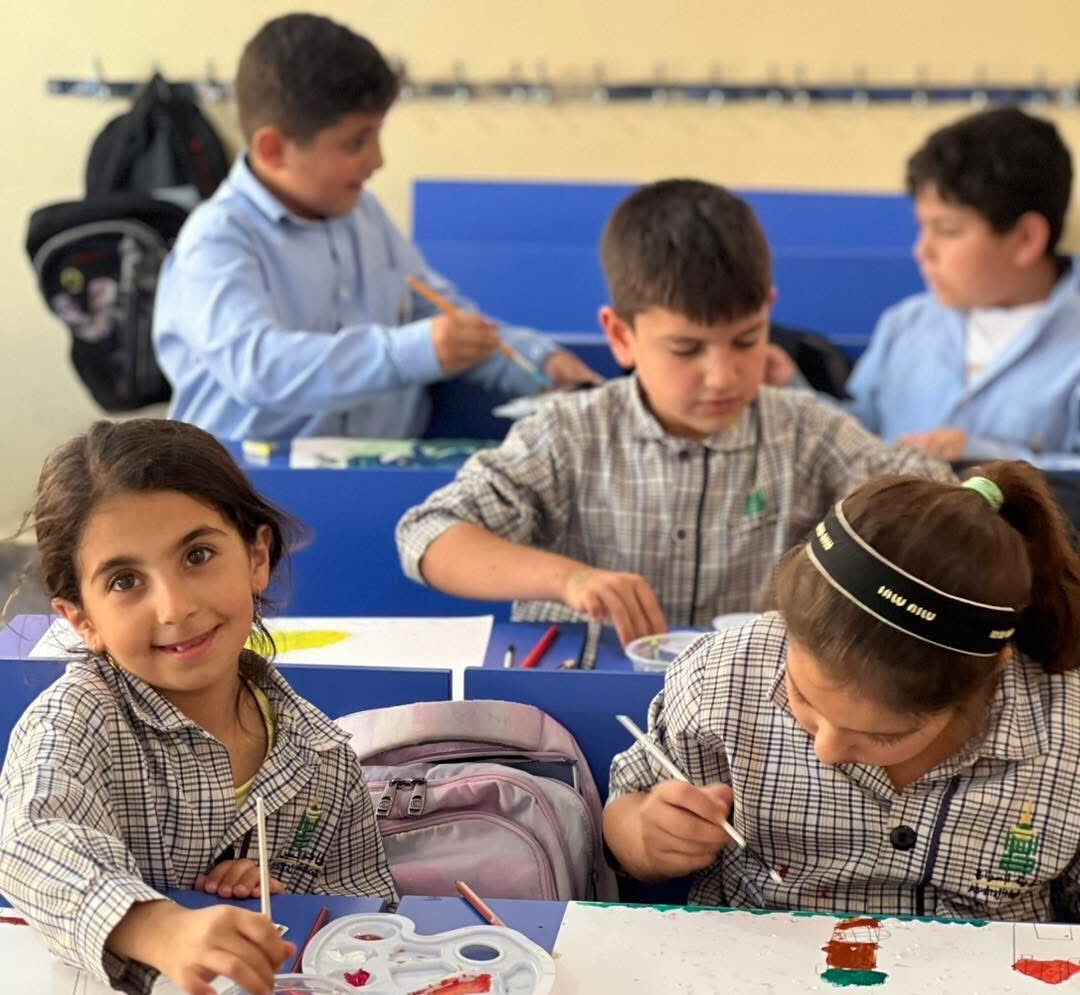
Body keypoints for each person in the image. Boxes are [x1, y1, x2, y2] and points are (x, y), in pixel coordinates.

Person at [396, 179, 949, 645]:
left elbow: (934, 501)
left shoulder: (809, 432)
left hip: (744, 711)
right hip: (585, 699)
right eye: (685, 349)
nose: (722, 376)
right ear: (620, 336)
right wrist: (568, 580)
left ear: (769, 311)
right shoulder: (567, 435)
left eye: (746, 340)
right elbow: (427, 535)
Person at [0, 419, 396, 995]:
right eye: (125, 581)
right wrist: (160, 928)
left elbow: (368, 919)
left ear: (256, 558)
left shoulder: (322, 757)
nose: (175, 606)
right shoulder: (77, 717)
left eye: (198, 555)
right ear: (82, 620)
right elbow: (30, 841)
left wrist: (293, 907)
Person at [603, 463, 1080, 919]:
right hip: (760, 960)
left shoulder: (1064, 730)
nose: (826, 751)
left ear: (988, 679)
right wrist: (647, 837)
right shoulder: (725, 677)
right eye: (802, 698)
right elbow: (625, 810)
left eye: (884, 736)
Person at [152, 12, 598, 442]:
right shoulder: (217, 240)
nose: (378, 160)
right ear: (273, 149)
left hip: (382, 471)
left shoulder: (363, 214)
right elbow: (260, 367)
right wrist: (416, 351)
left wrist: (539, 363)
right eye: (356, 142)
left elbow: (440, 318)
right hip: (249, 483)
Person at [847, 107, 1079, 462]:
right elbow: (854, 434)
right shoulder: (905, 325)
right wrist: (791, 388)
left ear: (1026, 239)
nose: (922, 251)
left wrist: (982, 456)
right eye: (922, 227)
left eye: (947, 230)